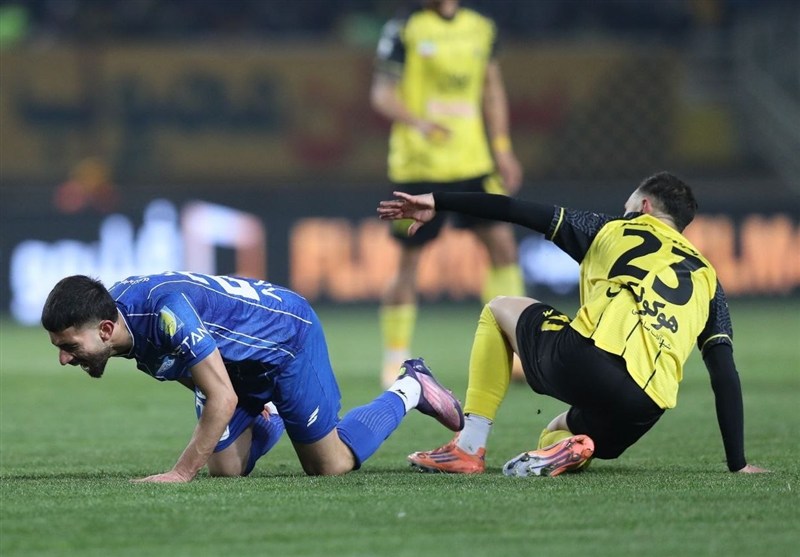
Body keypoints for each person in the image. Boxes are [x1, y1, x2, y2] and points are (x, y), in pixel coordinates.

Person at [377, 171, 769, 476]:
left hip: (590, 361)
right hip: (644, 408)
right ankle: (572, 448)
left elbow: (514, 209)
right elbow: (724, 372)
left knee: (497, 309)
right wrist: (737, 463)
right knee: (559, 431)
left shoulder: (610, 228)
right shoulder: (708, 278)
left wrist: (438, 201)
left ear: (645, 206)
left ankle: (468, 447)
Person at [41, 272, 464, 482]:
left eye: (69, 346)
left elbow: (220, 397)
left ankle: (410, 387)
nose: (63, 359)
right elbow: (191, 371)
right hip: (236, 361)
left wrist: (180, 473)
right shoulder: (116, 316)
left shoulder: (166, 313)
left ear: (105, 330)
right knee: (226, 469)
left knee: (328, 466)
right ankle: (269, 411)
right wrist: (236, 398)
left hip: (286, 339)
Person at [370, 0, 525, 387]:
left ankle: (515, 349)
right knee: (408, 261)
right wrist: (419, 123)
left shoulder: (481, 28)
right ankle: (394, 357)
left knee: (503, 247)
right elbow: (382, 94)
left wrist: (502, 148)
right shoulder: (404, 29)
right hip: (420, 166)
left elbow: (492, 91)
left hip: (473, 164)